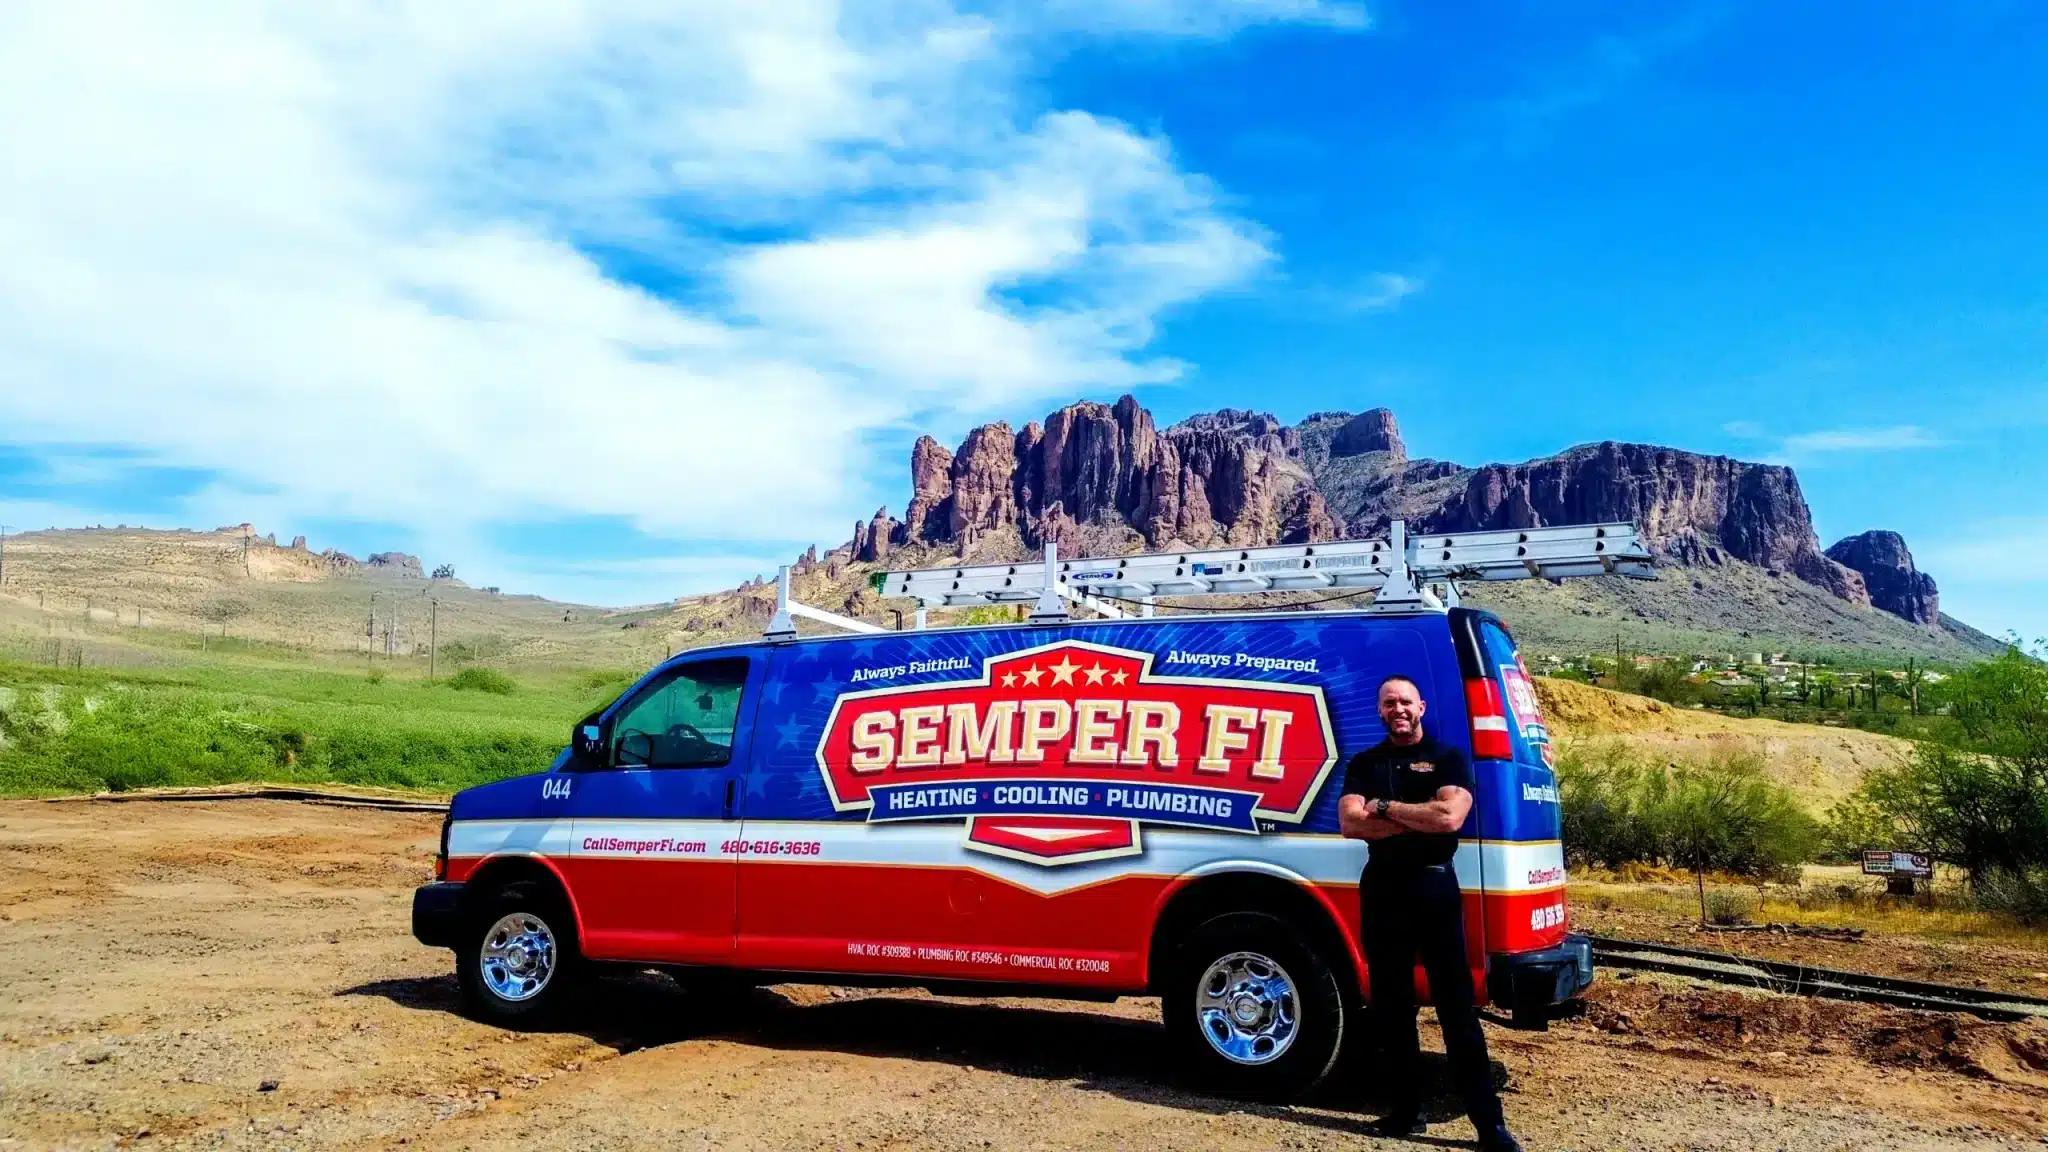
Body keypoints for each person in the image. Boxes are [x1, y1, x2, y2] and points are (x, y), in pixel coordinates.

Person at [1339, 674, 1521, 1152]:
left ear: (1420, 706)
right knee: (1391, 1006)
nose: (1397, 709)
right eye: (1388, 703)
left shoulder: (1448, 758)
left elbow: (1449, 818)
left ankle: (1489, 1127)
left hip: (1433, 886)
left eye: (1405, 701)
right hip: (1382, 889)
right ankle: (1404, 1113)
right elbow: (1351, 824)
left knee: (1455, 1008)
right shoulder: (1366, 762)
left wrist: (1385, 808)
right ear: (1379, 710)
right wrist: (1416, 818)